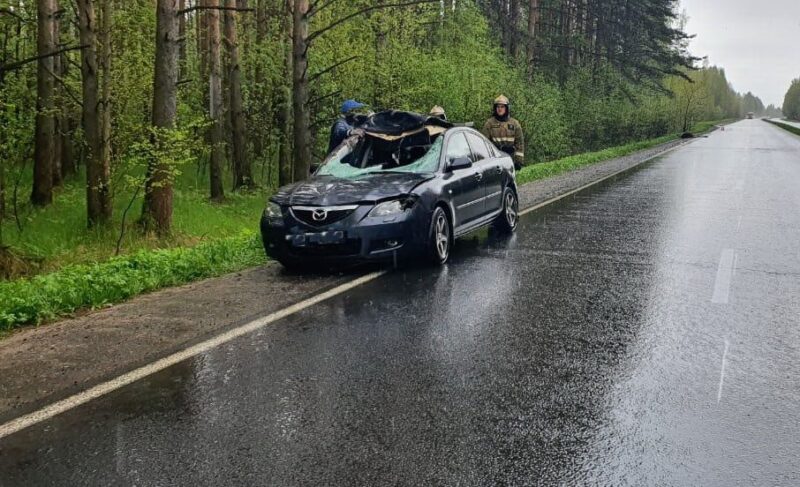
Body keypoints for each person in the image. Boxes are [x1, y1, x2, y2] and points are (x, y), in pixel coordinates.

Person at [482, 95, 525, 169]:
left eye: (502, 107)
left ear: (507, 108)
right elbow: (484, 143)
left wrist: (518, 161)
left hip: (511, 159)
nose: (500, 109)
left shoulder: (515, 124)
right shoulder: (489, 124)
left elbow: (519, 143)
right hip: (495, 160)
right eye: (498, 107)